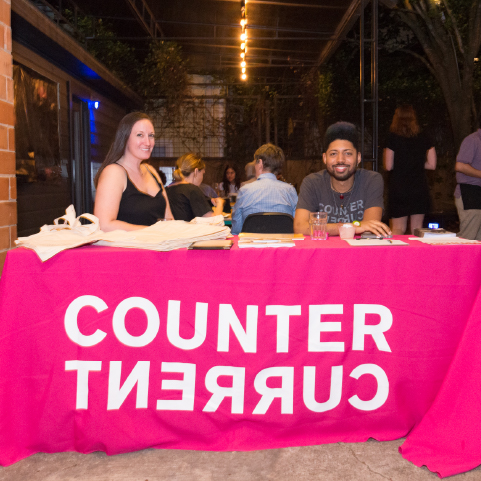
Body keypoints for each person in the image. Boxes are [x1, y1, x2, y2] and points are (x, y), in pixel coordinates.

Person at [294, 121, 391, 237]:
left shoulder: (371, 180)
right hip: (324, 252)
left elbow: (370, 228)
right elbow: (300, 226)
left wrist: (322, 227)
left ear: (358, 158)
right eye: (333, 154)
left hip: (358, 252)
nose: (340, 160)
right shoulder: (312, 183)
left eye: (348, 153)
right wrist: (354, 226)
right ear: (324, 158)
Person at [94, 112, 173, 232]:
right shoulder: (114, 172)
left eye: (151, 135)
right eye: (140, 135)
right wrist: (151, 232)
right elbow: (104, 225)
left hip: (158, 246)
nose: (147, 142)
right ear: (125, 138)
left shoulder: (150, 170)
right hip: (127, 249)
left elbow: (169, 219)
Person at [383, 105, 436, 235]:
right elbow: (432, 165)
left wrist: (403, 164)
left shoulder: (392, 137)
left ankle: (397, 255)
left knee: (398, 229)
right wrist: (416, 163)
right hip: (419, 188)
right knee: (417, 229)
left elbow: (388, 166)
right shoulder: (424, 136)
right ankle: (416, 255)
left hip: (399, 188)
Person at [231, 143, 298, 235]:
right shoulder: (290, 190)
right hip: (283, 246)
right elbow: (297, 225)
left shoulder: (245, 190)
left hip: (252, 247)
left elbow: (236, 230)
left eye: (255, 162)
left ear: (260, 163)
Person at [167, 153, 224, 221]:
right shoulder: (192, 190)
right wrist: (220, 203)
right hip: (188, 231)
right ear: (196, 171)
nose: (202, 177)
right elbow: (214, 222)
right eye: (203, 173)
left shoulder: (167, 190)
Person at [454, 110, 481, 240]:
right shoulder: (473, 140)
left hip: (476, 192)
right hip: (470, 193)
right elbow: (460, 166)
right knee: (468, 239)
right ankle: (459, 261)